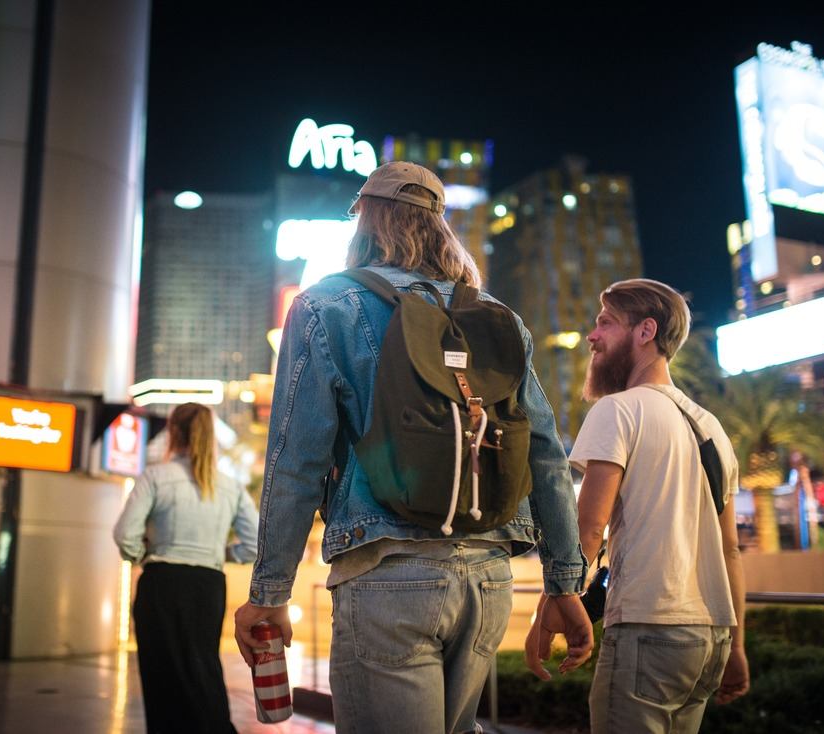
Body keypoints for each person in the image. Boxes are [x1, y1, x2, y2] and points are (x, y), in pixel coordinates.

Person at [233, 161, 592, 734]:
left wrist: (270, 593)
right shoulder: (497, 317)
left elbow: (296, 462)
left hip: (388, 573)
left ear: (366, 221)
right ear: (440, 225)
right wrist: (564, 583)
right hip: (488, 578)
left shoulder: (326, 305)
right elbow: (545, 455)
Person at [527, 279, 749, 733]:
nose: (592, 336)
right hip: (710, 640)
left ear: (646, 331)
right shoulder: (711, 428)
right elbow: (730, 551)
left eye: (606, 323)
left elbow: (589, 529)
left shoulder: (618, 411)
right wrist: (738, 647)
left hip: (649, 627)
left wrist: (547, 614)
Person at [113, 403, 259, 734]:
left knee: (161, 678)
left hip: (161, 583)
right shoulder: (230, 486)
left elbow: (125, 534)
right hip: (208, 584)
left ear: (174, 432)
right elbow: (254, 543)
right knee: (203, 668)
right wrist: (220, 552)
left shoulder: (156, 477)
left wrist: (141, 555)